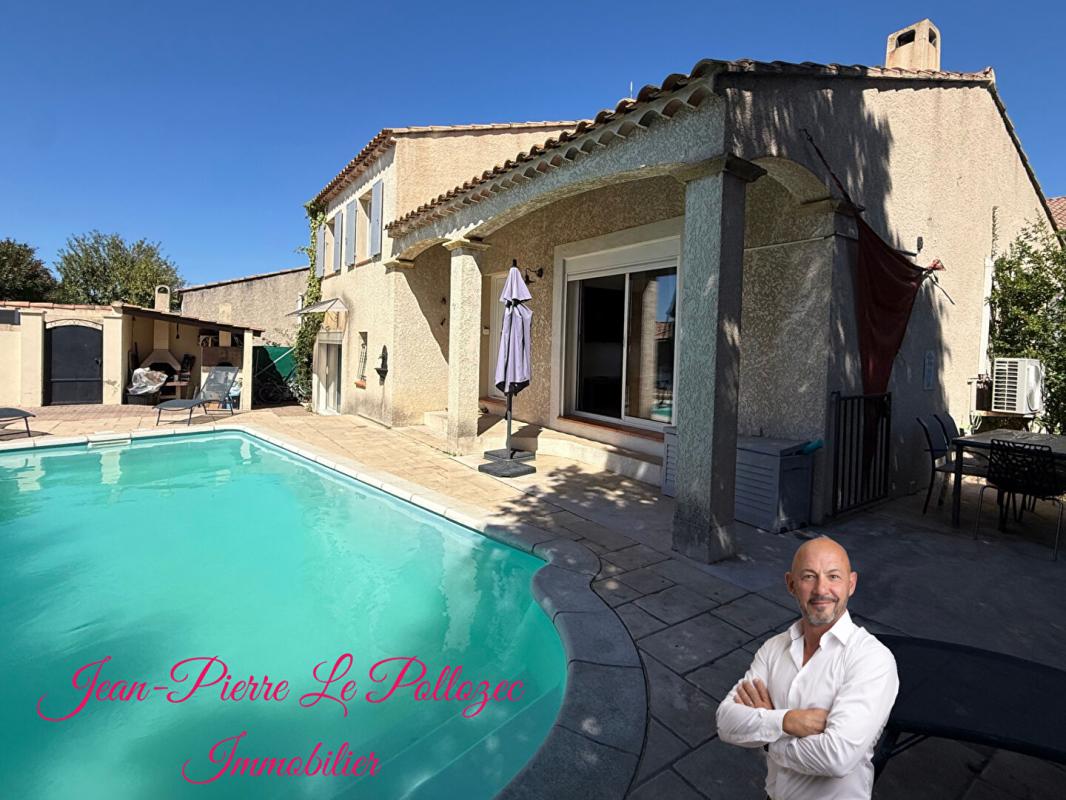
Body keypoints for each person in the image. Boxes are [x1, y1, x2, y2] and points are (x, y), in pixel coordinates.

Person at [715, 536, 898, 800]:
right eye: (809, 577)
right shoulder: (773, 649)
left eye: (833, 576)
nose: (821, 589)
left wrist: (768, 738)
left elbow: (837, 758)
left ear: (851, 584)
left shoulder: (872, 659)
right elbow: (725, 721)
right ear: (791, 584)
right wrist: (788, 721)